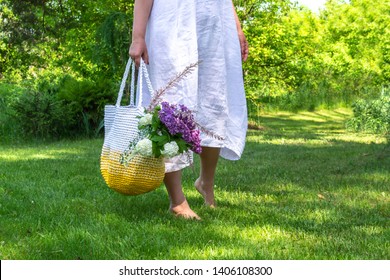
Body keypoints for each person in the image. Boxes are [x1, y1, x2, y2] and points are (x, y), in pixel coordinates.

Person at [129, 0, 248, 220]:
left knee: (214, 103)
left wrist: (237, 28)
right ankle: (177, 202)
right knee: (170, 106)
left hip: (214, 29)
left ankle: (205, 183)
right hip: (172, 29)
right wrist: (138, 37)